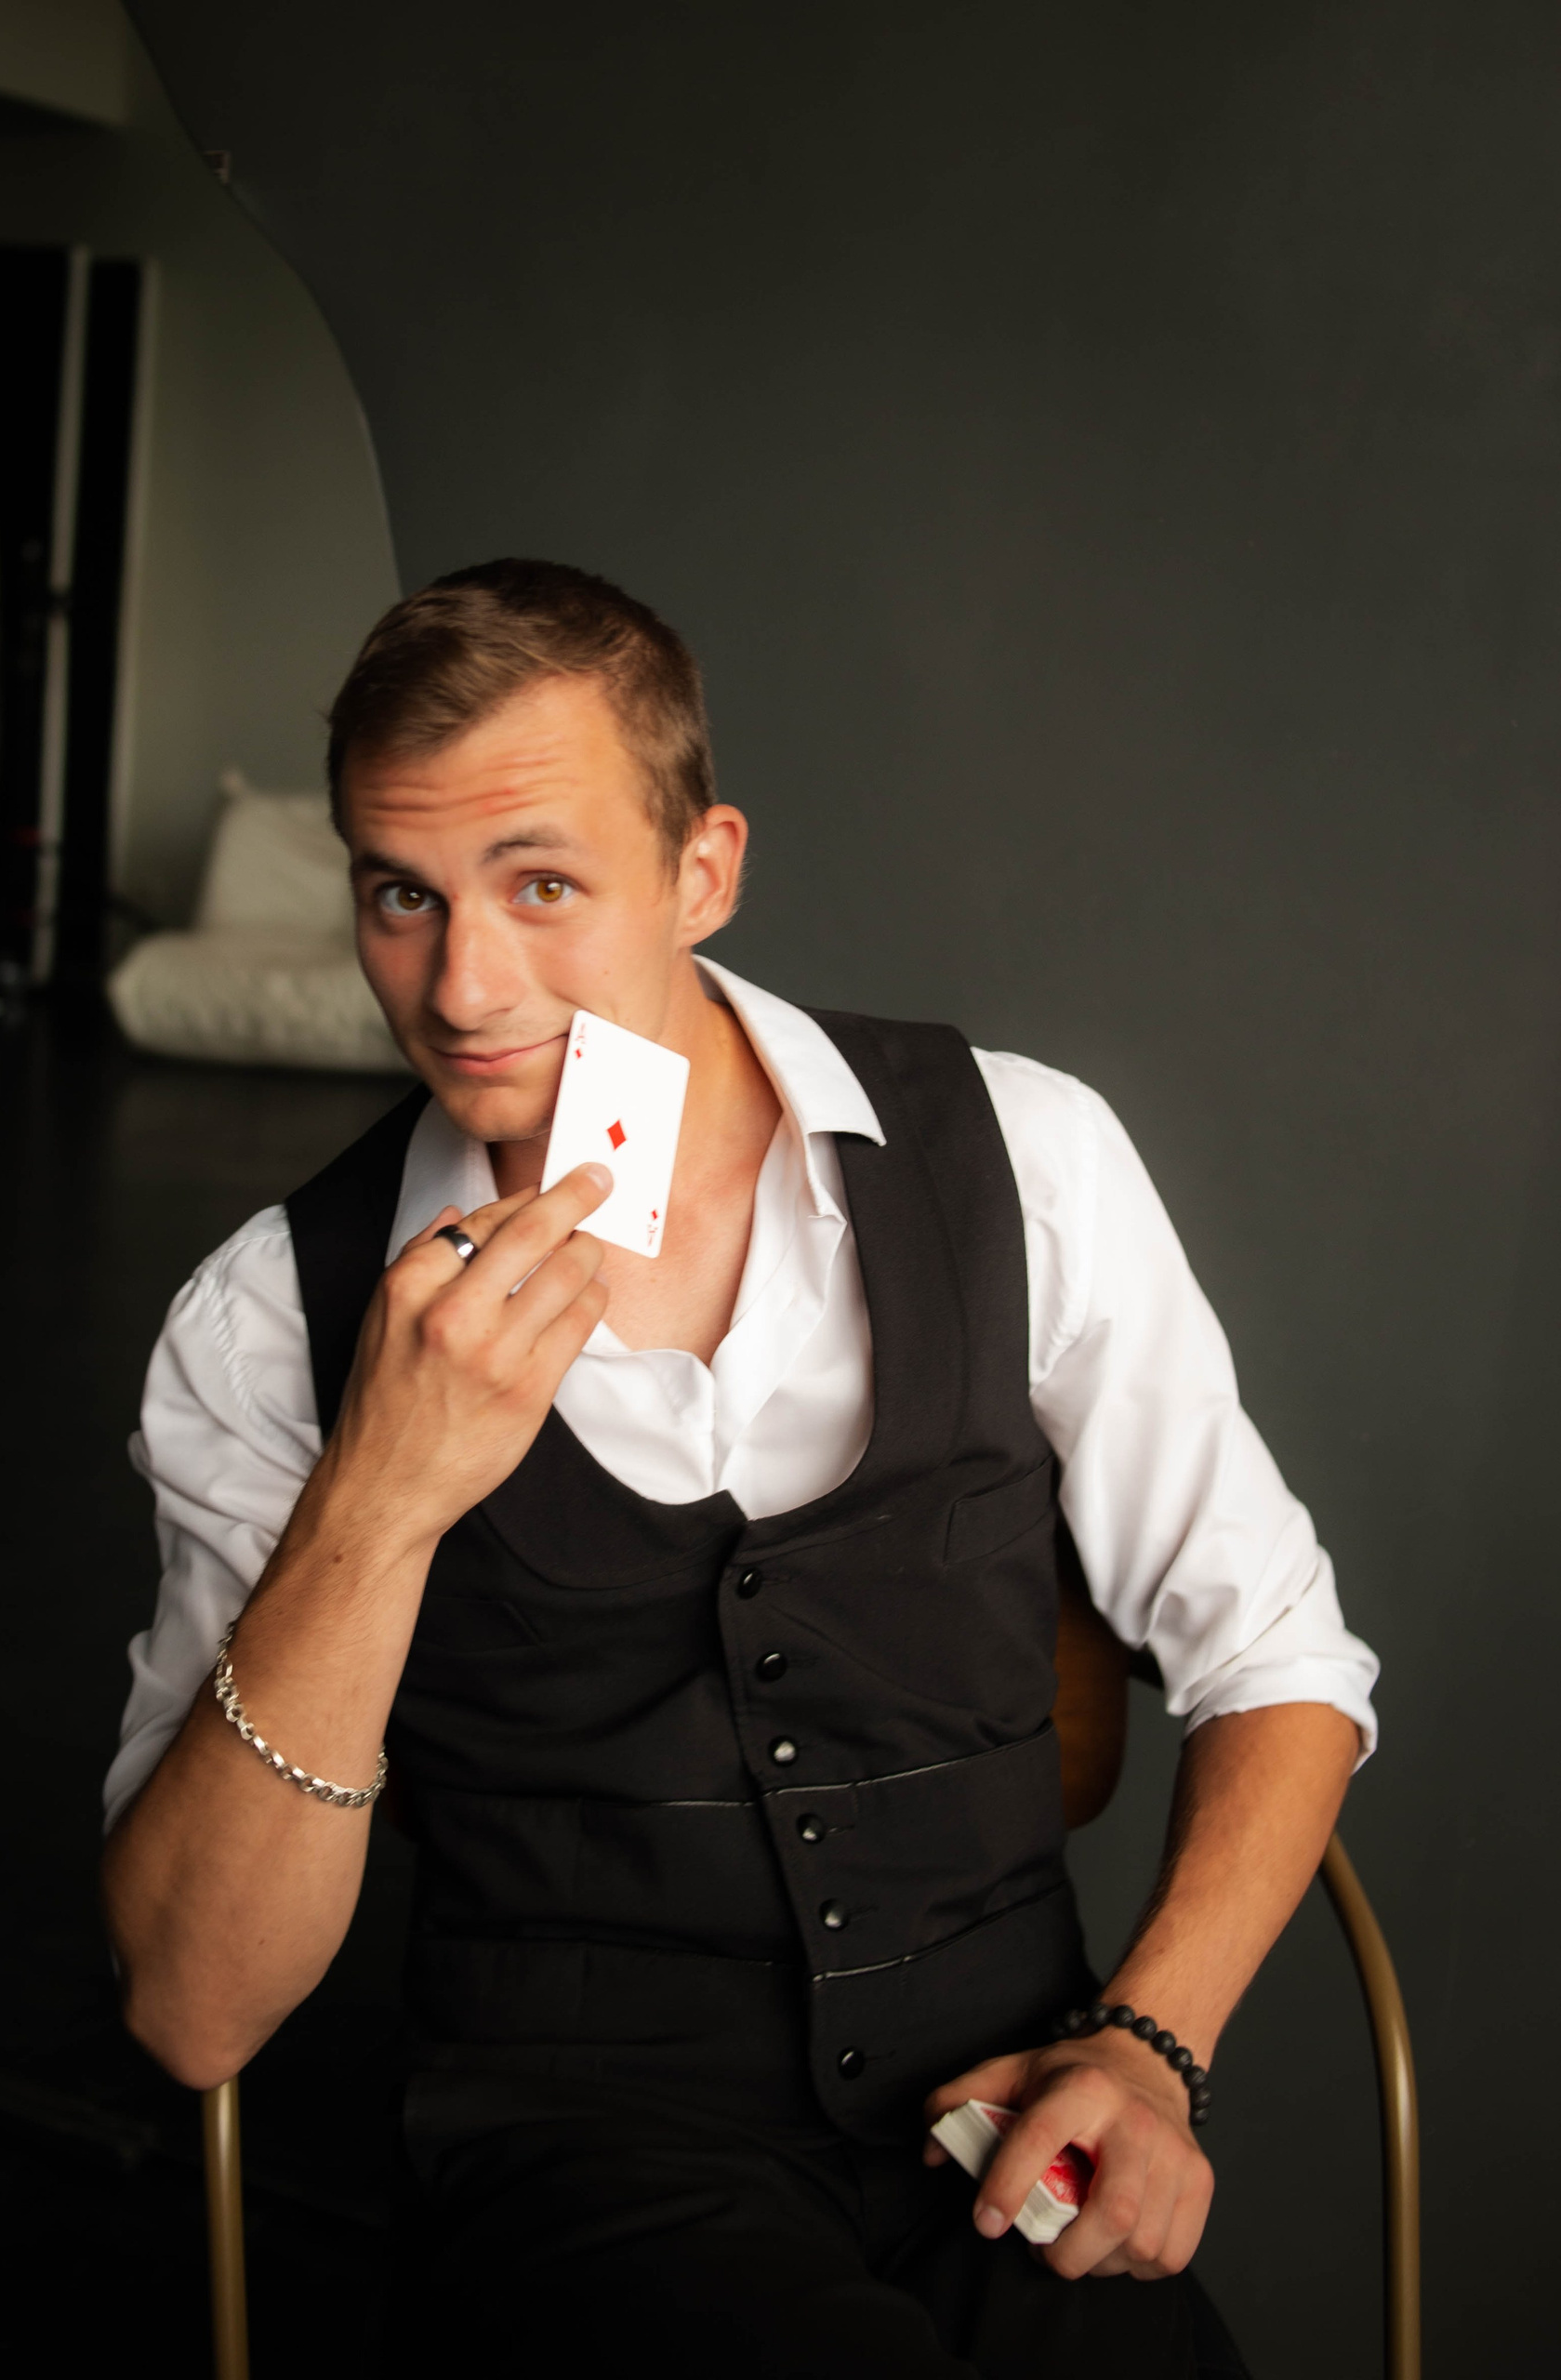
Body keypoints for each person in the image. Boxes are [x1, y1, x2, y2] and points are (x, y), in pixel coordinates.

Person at [100, 560, 1378, 2378]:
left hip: (1012, 2122)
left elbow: (1279, 1653)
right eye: (402, 894)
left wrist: (1149, 2041)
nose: (462, 985)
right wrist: (381, 1494)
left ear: (703, 871)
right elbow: (192, 2009)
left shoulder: (1024, 1159)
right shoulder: (263, 1320)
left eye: (542, 884)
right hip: (584, 2185)